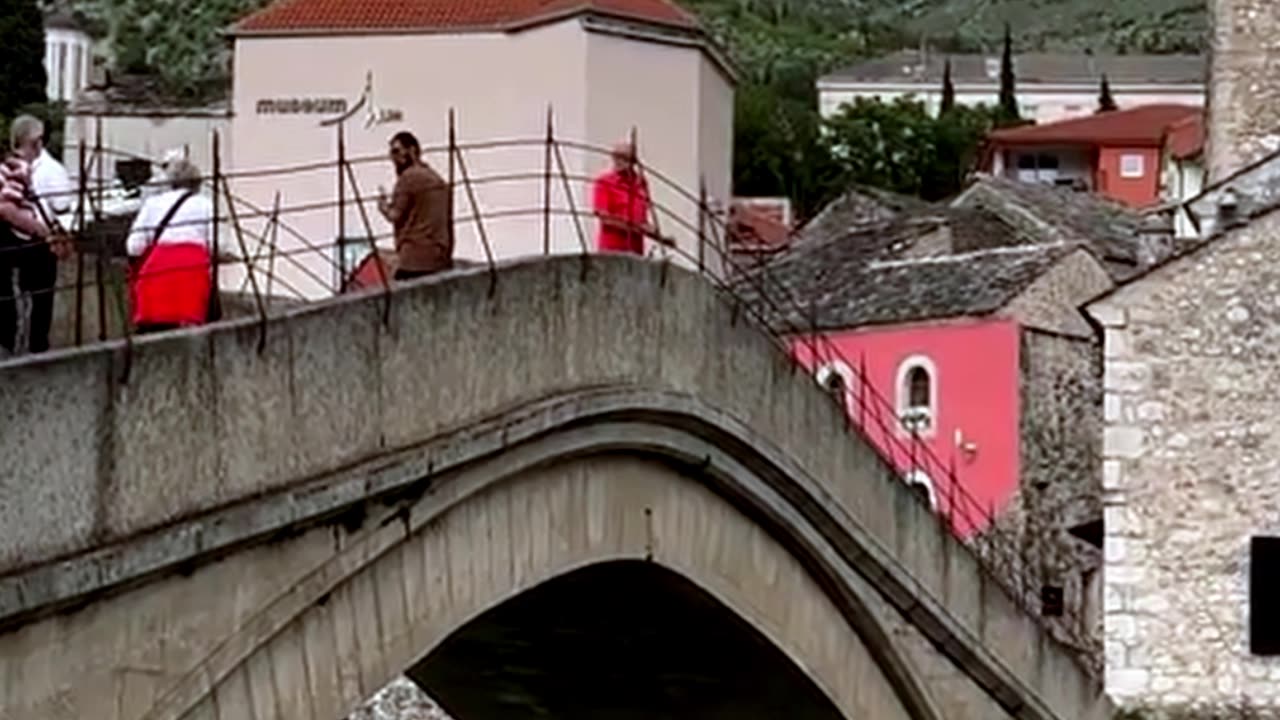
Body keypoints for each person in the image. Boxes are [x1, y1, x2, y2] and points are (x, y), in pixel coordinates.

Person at [125, 159, 214, 334]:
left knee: (150, 336)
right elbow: (219, 244)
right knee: (190, 339)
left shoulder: (153, 204)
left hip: (155, 278)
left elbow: (134, 247)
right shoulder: (205, 205)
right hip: (191, 277)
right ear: (197, 184)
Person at [377, 131, 453, 281]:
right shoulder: (437, 179)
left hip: (414, 261)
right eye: (391, 153)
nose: (393, 158)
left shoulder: (408, 178)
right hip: (439, 260)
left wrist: (383, 206)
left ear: (412, 150)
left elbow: (395, 215)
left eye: (397, 151)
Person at [0, 156, 56, 357]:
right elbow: (6, 210)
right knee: (19, 303)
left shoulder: (11, 170)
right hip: (16, 249)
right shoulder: (10, 171)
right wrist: (44, 232)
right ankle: (26, 349)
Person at [591, 140, 671, 255]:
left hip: (635, 251)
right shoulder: (604, 182)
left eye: (622, 157)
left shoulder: (640, 183)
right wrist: (637, 228)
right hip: (612, 251)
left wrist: (660, 238)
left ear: (633, 160)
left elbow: (642, 222)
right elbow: (605, 218)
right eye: (615, 156)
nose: (617, 161)